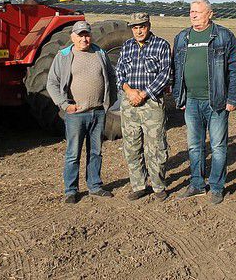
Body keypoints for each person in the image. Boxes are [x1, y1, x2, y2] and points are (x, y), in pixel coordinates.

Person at [172, 0, 236, 204]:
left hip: (217, 101)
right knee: (195, 145)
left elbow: (235, 68)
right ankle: (197, 184)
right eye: (191, 11)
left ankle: (217, 186)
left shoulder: (223, 36)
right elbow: (177, 69)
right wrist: (180, 95)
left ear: (210, 14)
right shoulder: (182, 37)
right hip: (191, 100)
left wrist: (232, 97)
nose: (193, 15)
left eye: (198, 12)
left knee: (218, 146)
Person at [46, 21, 117, 204]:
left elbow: (111, 77)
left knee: (96, 152)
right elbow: (52, 83)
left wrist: (108, 103)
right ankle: (71, 190)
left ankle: (94, 186)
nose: (84, 38)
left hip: (98, 112)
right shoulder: (64, 56)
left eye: (86, 35)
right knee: (73, 153)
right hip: (76, 114)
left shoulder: (100, 53)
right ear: (73, 37)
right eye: (80, 35)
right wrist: (64, 104)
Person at [115, 12, 173, 201]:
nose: (138, 30)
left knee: (156, 147)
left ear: (148, 25)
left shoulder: (161, 45)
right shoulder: (127, 46)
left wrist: (144, 93)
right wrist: (129, 91)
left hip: (152, 103)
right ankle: (139, 185)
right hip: (129, 103)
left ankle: (158, 186)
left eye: (142, 26)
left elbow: (165, 75)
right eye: (135, 27)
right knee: (132, 146)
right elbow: (119, 72)